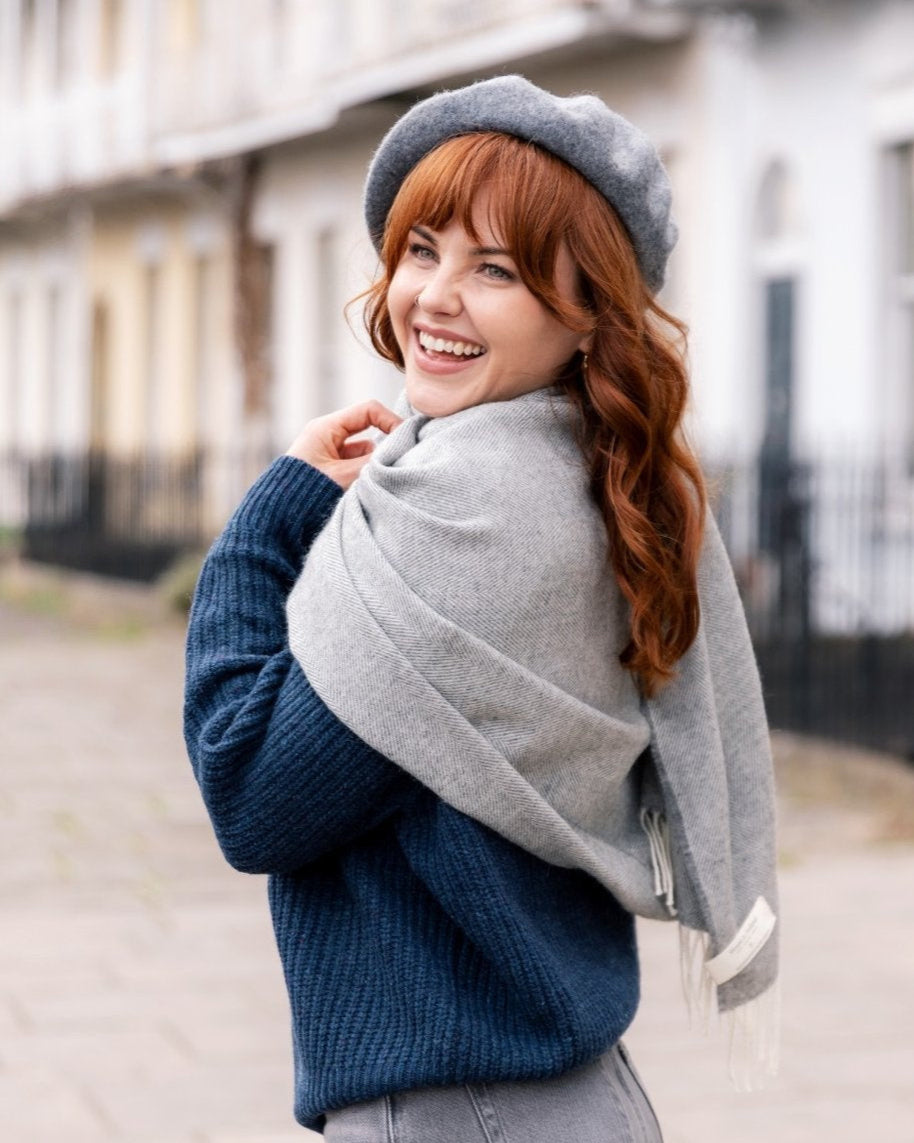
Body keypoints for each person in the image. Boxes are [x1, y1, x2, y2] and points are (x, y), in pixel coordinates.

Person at [184, 76, 779, 1141]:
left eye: (494, 269)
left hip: (469, 1108)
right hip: (539, 1095)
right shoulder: (576, 474)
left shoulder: (476, 512)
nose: (434, 297)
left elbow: (253, 791)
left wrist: (271, 517)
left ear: (587, 312)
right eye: (422, 250)